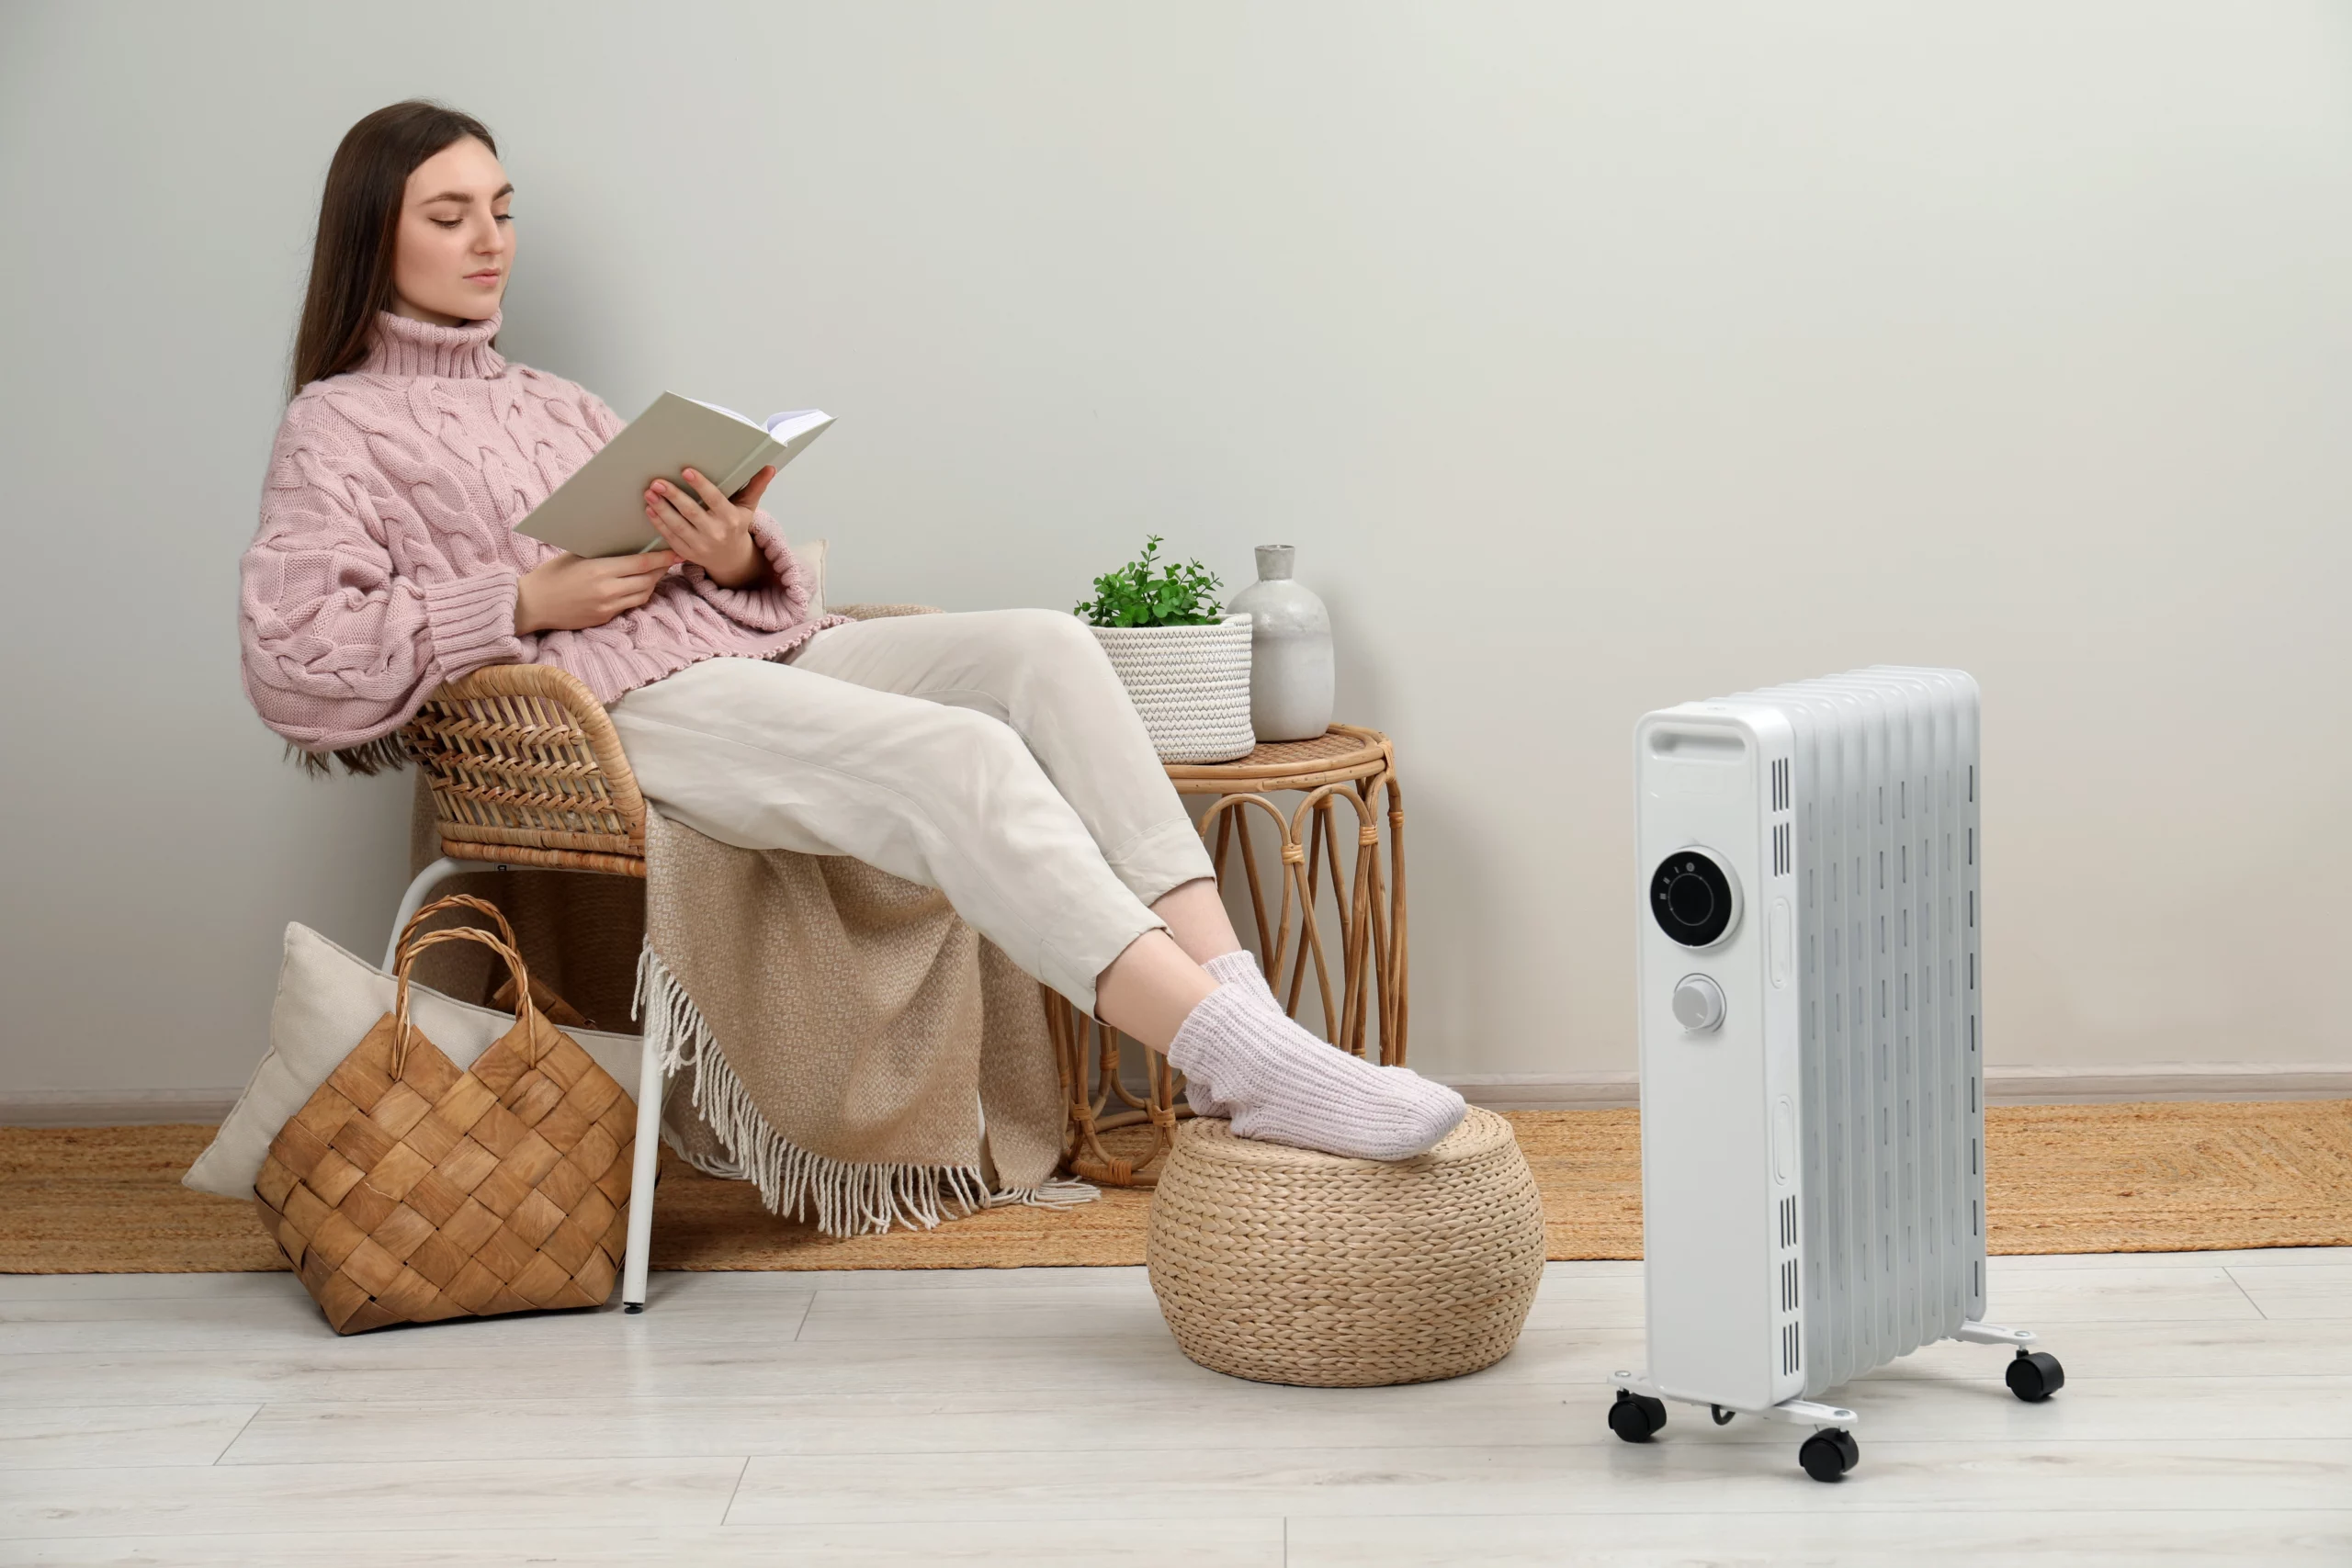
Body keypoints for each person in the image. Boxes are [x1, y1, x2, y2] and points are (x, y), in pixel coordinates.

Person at [239, 100, 1464, 1163]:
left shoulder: (559, 403)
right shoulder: (336, 428)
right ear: (375, 234)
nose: (490, 240)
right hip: (608, 718)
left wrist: (726, 553)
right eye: (449, 215)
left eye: (503, 209)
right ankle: (1253, 1060)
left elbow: (681, 575)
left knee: (1045, 645)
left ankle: (1243, 1041)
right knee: (966, 760)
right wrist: (518, 603)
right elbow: (293, 656)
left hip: (728, 648)